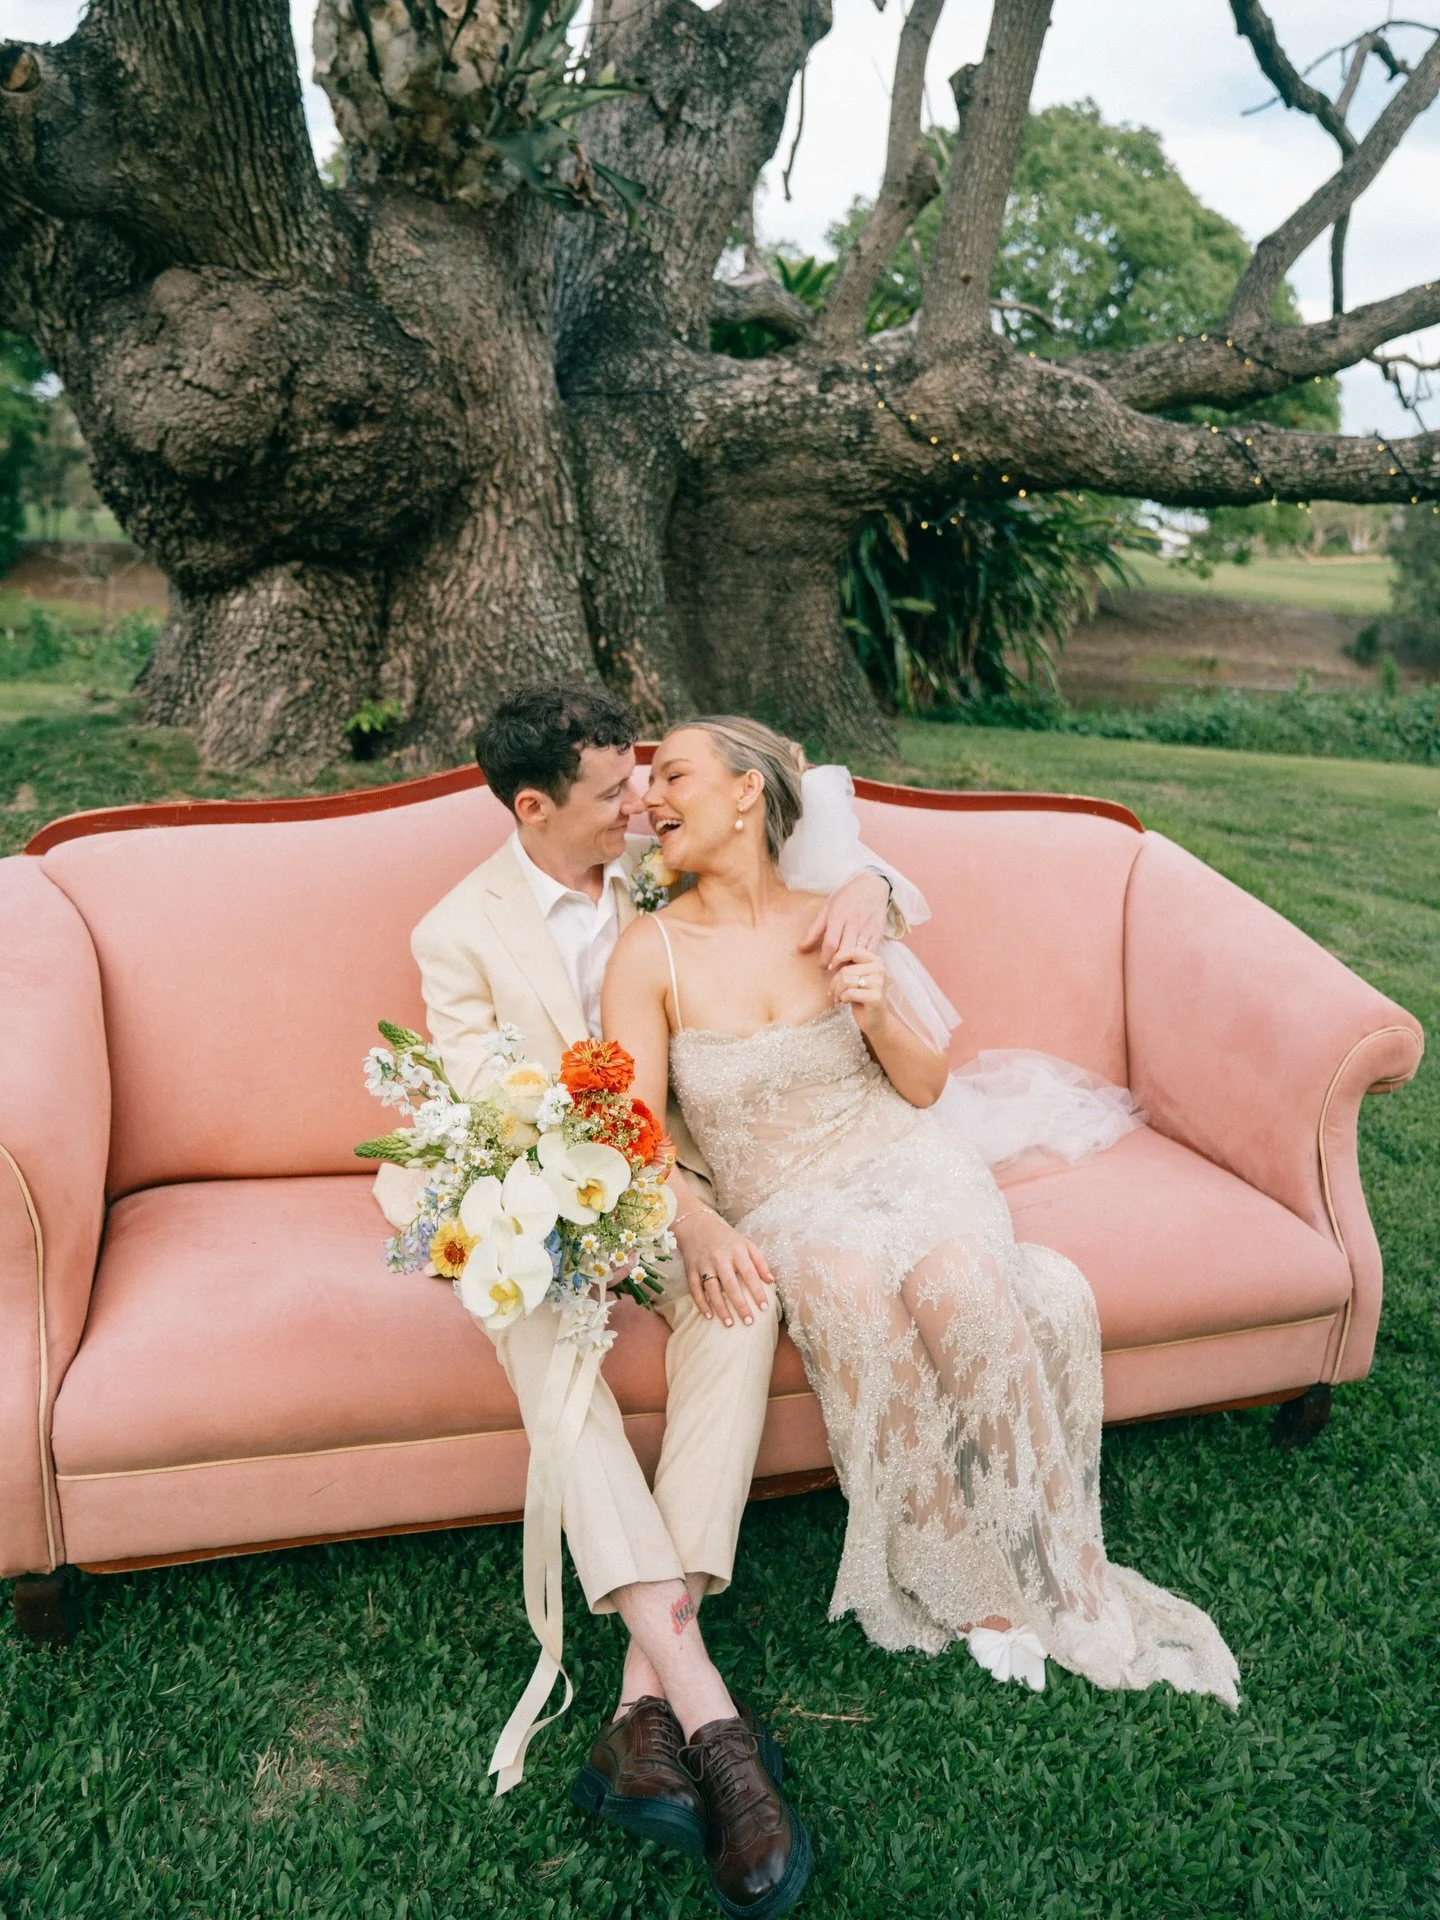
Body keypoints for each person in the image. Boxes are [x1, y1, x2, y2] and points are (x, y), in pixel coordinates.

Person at [389, 685, 919, 1920]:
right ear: (534, 808)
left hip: (663, 1180)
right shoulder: (454, 934)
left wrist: (871, 895)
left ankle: (638, 1709)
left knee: (741, 1305)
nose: (644, 801)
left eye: (645, 779)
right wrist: (600, 1198)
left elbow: (810, 853)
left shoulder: (661, 877)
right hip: (517, 1187)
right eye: (612, 792)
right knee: (550, 1347)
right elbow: (492, 1113)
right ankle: (711, 1719)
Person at [602, 715, 1241, 1736]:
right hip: (784, 1198)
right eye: (643, 785)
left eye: (671, 773)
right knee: (854, 1292)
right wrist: (696, 1222)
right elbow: (630, 1126)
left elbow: (926, 1083)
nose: (646, 800)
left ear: (745, 794)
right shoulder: (651, 951)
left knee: (959, 1282)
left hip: (904, 1155)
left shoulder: (837, 917)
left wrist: (874, 1009)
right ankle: (969, 1582)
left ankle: (1063, 1574)